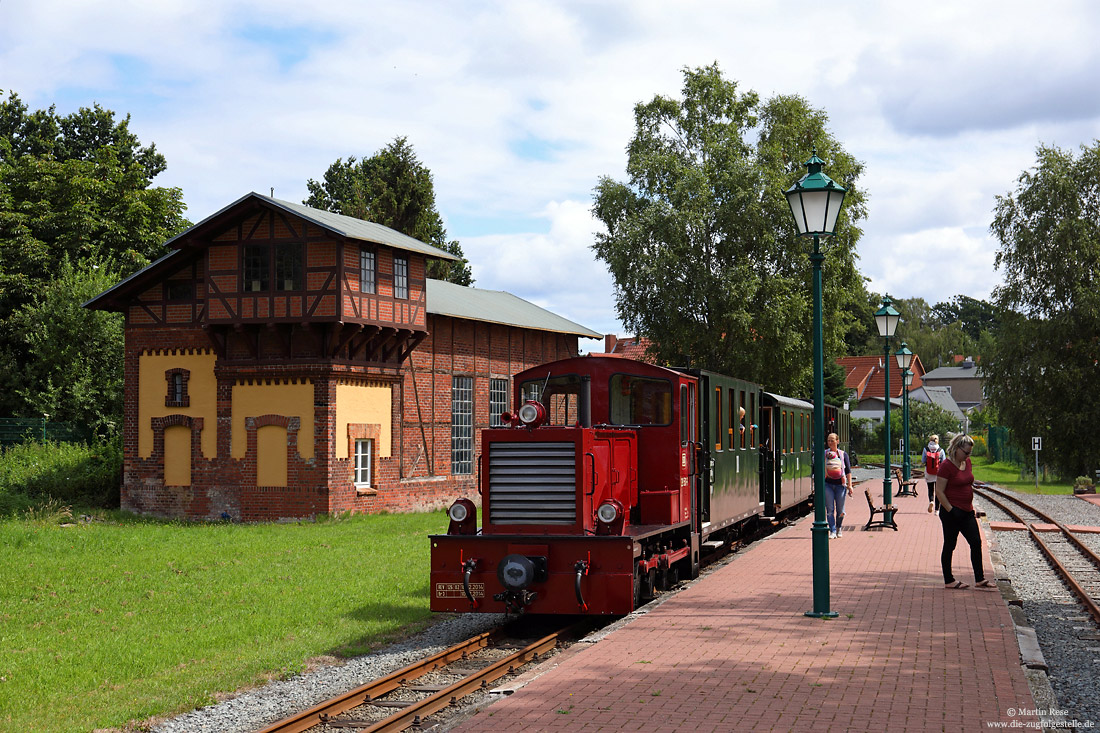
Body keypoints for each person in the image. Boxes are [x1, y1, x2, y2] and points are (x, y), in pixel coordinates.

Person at [935, 434, 994, 589]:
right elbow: (939, 491)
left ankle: (980, 579)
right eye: (966, 452)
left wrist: (974, 483)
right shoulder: (946, 466)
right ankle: (949, 580)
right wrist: (951, 510)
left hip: (967, 511)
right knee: (950, 544)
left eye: (970, 453)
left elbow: (964, 479)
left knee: (975, 542)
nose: (968, 455)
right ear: (956, 449)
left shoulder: (966, 462)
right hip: (951, 513)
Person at [822, 432, 853, 539]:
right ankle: (833, 530)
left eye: (832, 440)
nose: (830, 442)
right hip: (828, 484)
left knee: (840, 510)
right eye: (828, 440)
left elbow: (848, 471)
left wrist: (850, 485)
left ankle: (839, 527)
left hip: (841, 485)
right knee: (830, 509)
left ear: (837, 441)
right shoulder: (825, 454)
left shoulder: (843, 454)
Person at [923, 434, 946, 513]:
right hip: (938, 473)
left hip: (929, 472)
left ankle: (931, 501)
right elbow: (944, 462)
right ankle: (937, 509)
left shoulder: (926, 449)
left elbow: (923, 460)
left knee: (930, 489)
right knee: (938, 491)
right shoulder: (941, 450)